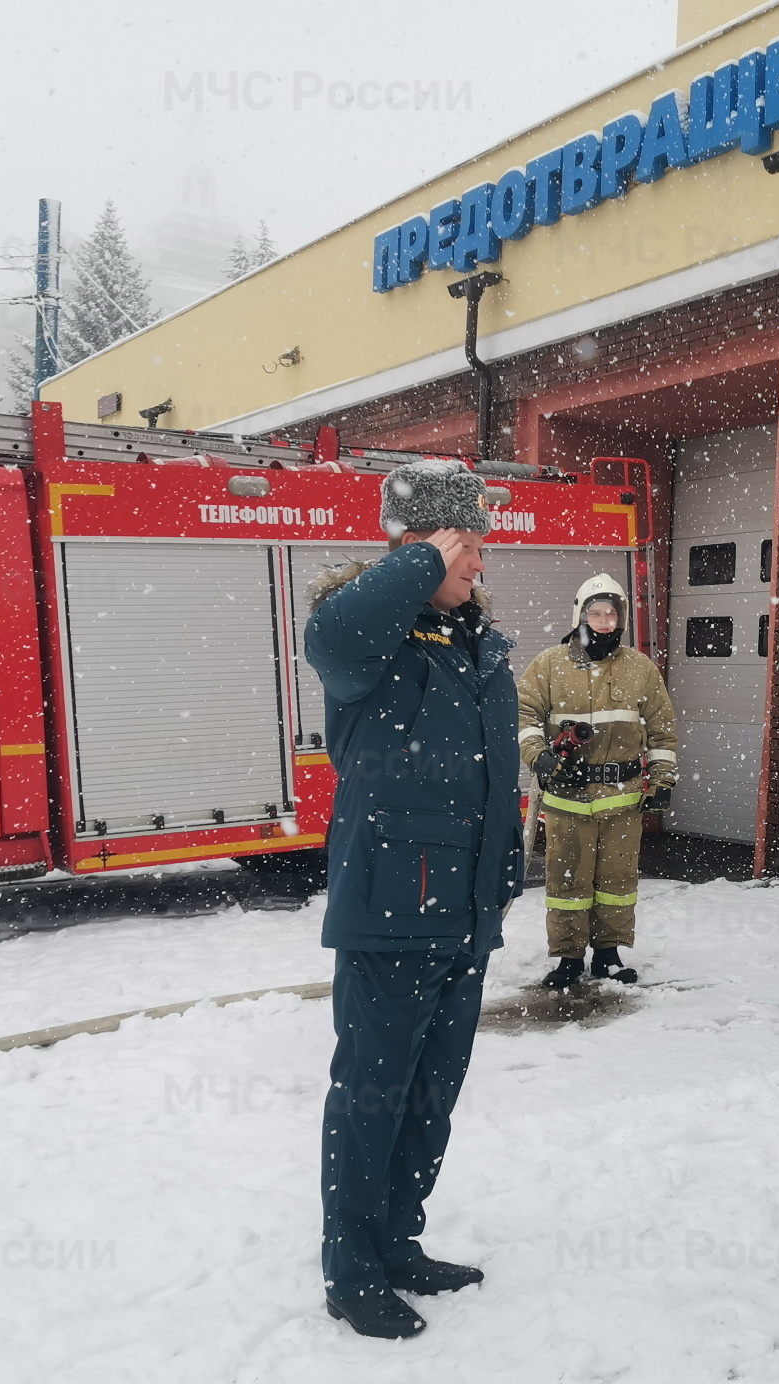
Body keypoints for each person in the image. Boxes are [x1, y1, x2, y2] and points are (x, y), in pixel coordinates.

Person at [303, 459, 525, 1339]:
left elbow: (489, 780)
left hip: (464, 915)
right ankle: (351, 1270)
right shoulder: (366, 641)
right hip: (389, 911)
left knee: (431, 1094)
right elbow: (335, 636)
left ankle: (399, 1243)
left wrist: (501, 876)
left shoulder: (477, 643)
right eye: (470, 543)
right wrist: (422, 558)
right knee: (372, 1096)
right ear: (428, 544)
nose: (482, 560)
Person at [516, 574, 678, 991]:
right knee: (566, 883)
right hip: (567, 802)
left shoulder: (640, 668)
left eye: (612, 613)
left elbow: (662, 730)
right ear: (580, 614)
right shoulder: (549, 665)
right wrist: (541, 757)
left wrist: (662, 778)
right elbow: (523, 717)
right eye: (596, 612)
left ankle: (609, 953)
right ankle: (569, 957)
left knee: (617, 884)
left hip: (623, 800)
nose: (604, 621)